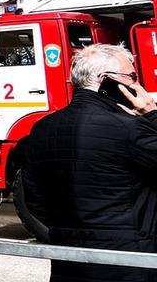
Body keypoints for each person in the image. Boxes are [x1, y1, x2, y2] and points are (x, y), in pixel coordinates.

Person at [19, 43, 157, 281]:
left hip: (70, 264)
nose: (137, 85)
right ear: (106, 80)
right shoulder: (132, 128)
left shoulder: (41, 129)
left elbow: (34, 199)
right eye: (132, 77)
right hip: (130, 265)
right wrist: (153, 115)